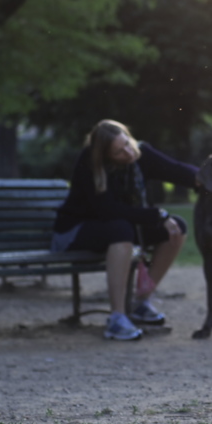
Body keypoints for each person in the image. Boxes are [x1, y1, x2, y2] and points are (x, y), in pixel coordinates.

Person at [52, 120, 198, 340]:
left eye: (128, 144)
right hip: (75, 231)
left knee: (176, 229)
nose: (129, 153)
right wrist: (158, 215)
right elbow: (108, 211)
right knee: (121, 231)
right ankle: (117, 318)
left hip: (116, 227)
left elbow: (177, 171)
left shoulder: (141, 154)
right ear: (105, 156)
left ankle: (141, 303)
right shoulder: (89, 163)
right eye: (119, 152)